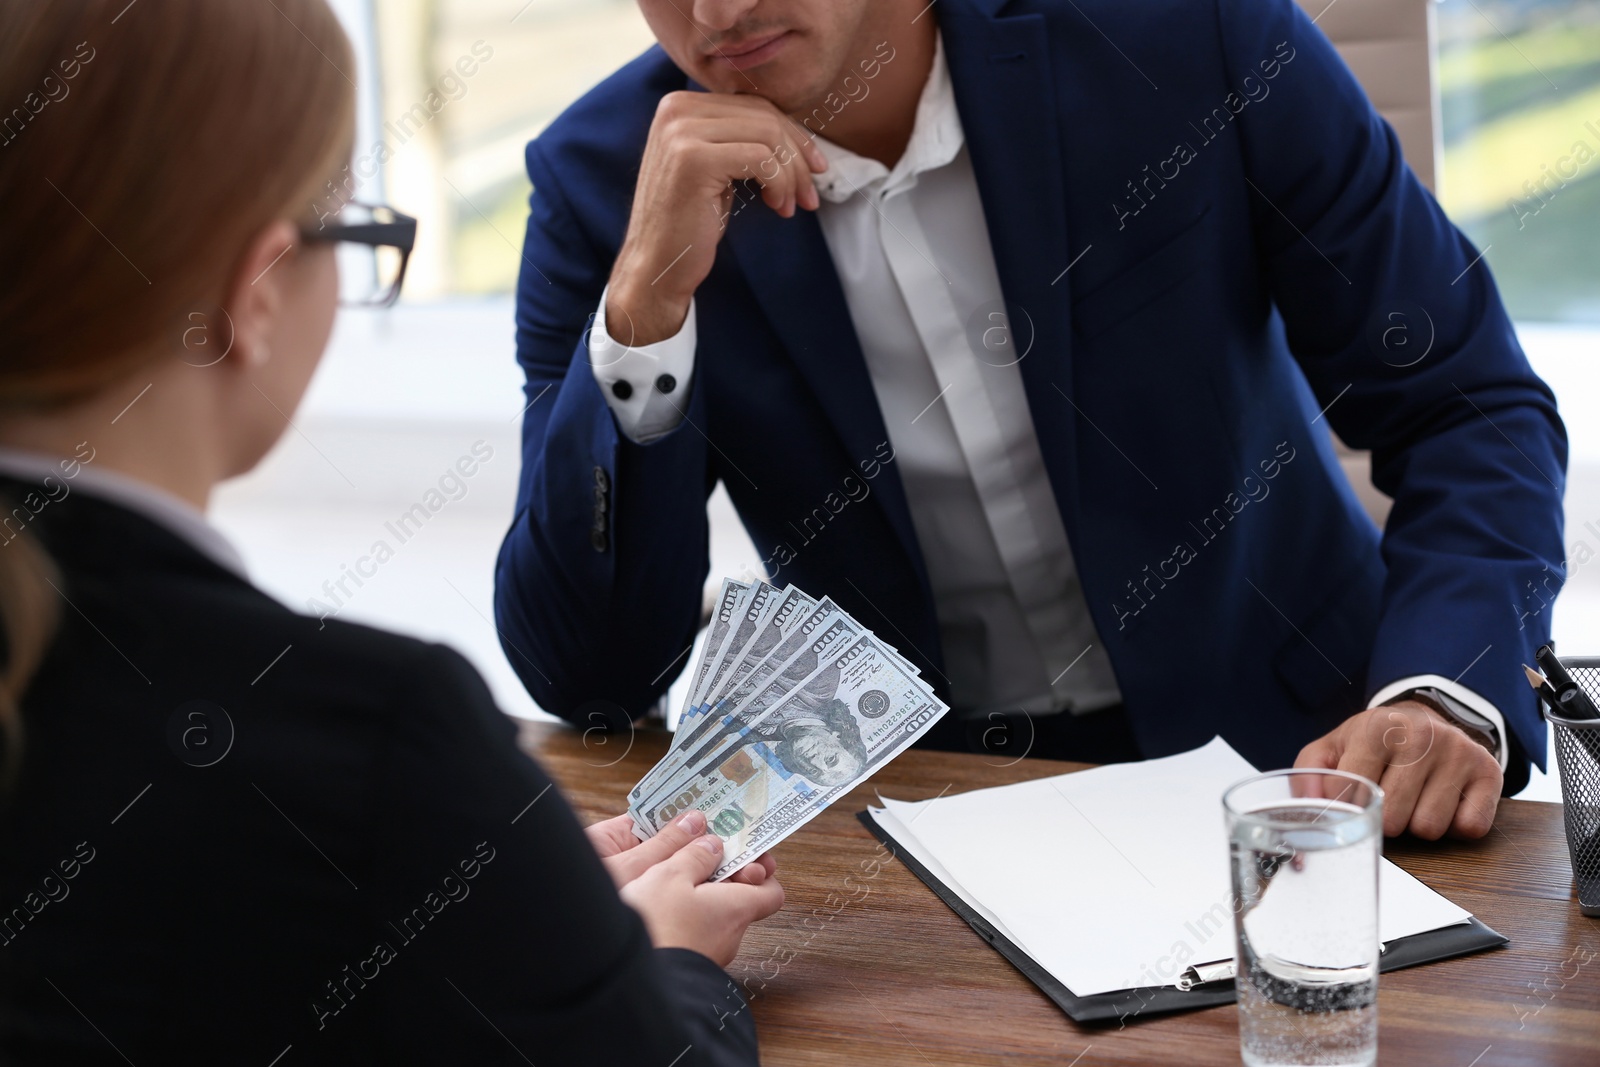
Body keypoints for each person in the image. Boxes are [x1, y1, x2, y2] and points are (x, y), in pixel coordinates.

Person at [495, 0, 1567, 839]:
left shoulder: (1193, 34)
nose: (718, 11)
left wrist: (1440, 692)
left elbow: (1465, 402)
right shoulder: (606, 186)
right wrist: (642, 317)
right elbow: (588, 677)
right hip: (910, 809)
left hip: (1300, 764)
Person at [0, 2, 780, 1063]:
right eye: (358, 229)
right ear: (255, 293)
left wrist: (524, 919)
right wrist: (654, 971)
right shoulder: (373, 741)